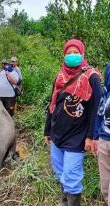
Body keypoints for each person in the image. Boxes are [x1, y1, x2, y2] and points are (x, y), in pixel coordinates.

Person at [44, 39, 102, 206]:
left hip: (77, 137)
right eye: (68, 53)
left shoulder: (91, 77)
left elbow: (96, 109)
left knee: (72, 177)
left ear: (82, 54)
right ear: (63, 56)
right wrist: (47, 131)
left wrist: (91, 136)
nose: (72, 56)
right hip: (57, 135)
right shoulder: (60, 76)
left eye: (75, 52)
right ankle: (64, 202)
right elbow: (52, 104)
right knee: (60, 172)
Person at [93, 64, 110, 206]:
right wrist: (95, 137)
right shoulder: (105, 92)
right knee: (105, 182)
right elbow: (98, 115)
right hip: (104, 139)